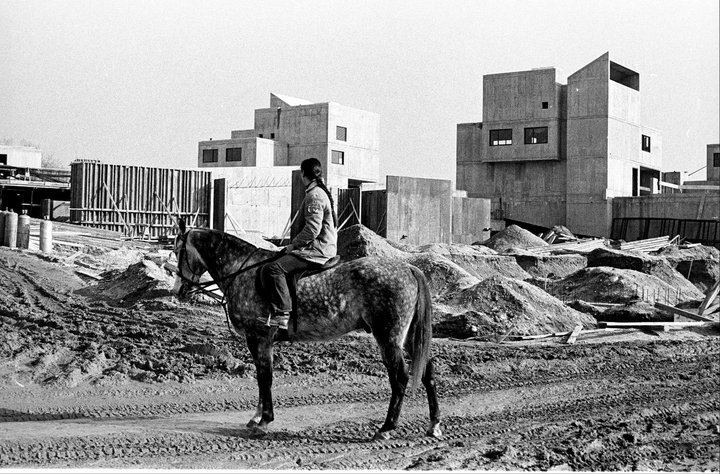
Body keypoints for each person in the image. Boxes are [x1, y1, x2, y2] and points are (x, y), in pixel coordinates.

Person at [258, 158, 338, 329]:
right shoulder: (318, 192)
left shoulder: (314, 195)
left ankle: (282, 314)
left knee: (273, 269)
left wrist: (293, 246)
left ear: (303, 174)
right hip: (321, 247)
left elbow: (312, 230)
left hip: (317, 250)